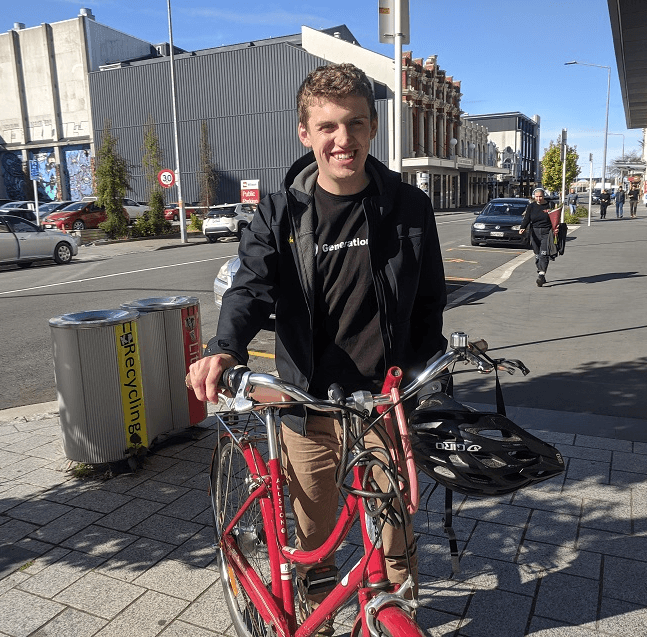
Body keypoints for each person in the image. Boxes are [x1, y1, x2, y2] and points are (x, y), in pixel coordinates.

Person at [188, 63, 447, 635]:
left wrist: (430, 378)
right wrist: (223, 348)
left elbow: (429, 301)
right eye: (328, 126)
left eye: (355, 123)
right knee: (315, 538)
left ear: (374, 127)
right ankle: (317, 615)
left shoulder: (408, 207)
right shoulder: (280, 214)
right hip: (306, 406)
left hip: (385, 403)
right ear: (305, 133)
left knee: (395, 535)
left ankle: (394, 609)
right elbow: (250, 288)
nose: (343, 139)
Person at [518, 187, 558, 287]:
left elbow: (556, 218)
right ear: (534, 197)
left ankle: (541, 275)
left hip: (547, 232)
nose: (539, 199)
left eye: (540, 196)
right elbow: (527, 218)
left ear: (544, 196)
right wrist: (522, 227)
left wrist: (556, 228)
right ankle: (541, 272)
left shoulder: (550, 205)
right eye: (536, 197)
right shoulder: (531, 206)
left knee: (543, 254)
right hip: (534, 232)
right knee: (537, 254)